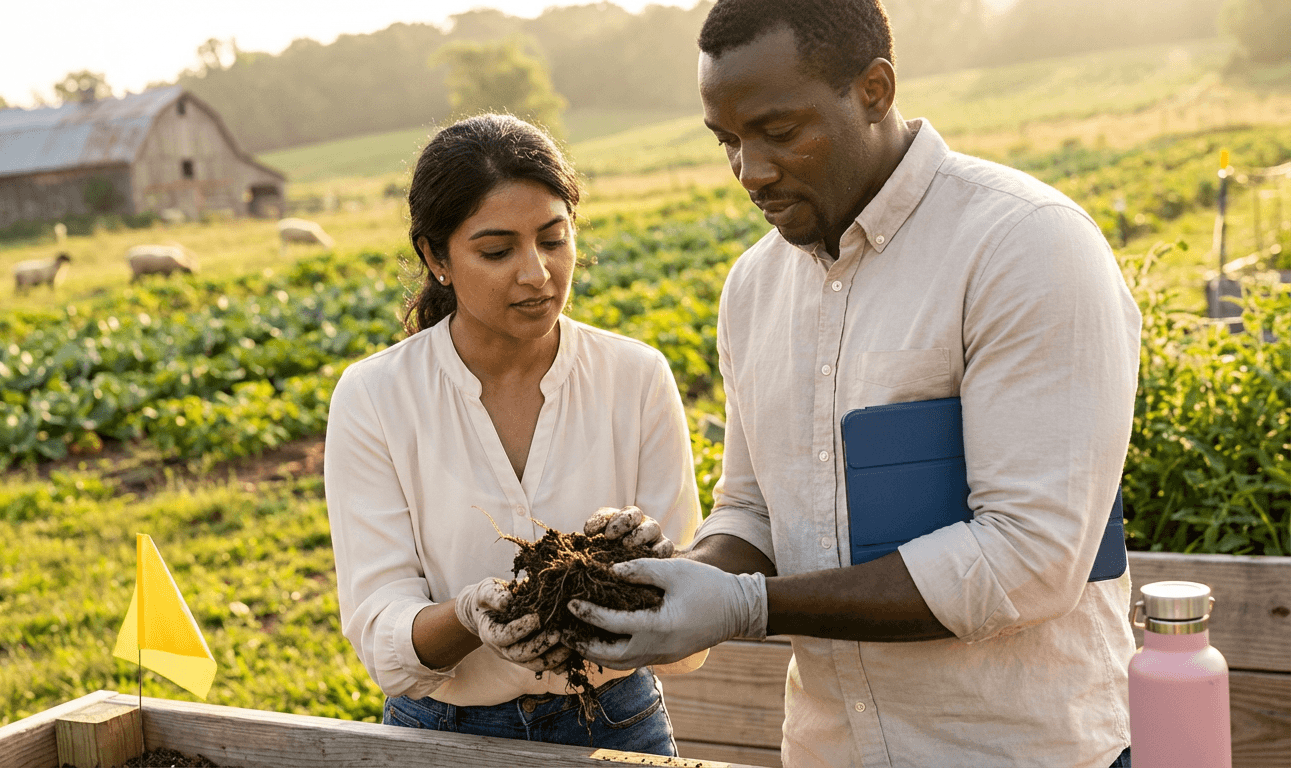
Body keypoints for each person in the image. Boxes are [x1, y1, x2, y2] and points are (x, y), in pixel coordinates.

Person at [566, 2, 1141, 767]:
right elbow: (755, 511)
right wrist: (671, 588)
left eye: (779, 131)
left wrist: (746, 608)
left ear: (874, 90)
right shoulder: (753, 287)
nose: (750, 170)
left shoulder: (1022, 246)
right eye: (727, 141)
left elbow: (1030, 559)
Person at [323, 113, 702, 755]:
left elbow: (688, 638)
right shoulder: (376, 396)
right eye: (497, 251)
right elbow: (382, 627)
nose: (536, 273)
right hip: (442, 731)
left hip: (615, 720)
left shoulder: (635, 376)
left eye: (553, 240)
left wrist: (660, 574)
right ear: (436, 257)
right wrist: (469, 616)